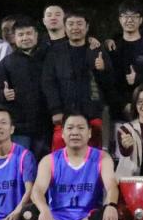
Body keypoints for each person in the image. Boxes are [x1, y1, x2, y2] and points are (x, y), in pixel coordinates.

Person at [23, 112, 119, 220]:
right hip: (55, 219)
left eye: (80, 128)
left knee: (111, 214)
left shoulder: (102, 158)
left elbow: (111, 186)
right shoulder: (49, 160)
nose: (75, 132)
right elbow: (37, 191)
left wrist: (111, 206)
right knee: (28, 213)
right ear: (62, 133)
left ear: (89, 133)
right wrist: (44, 210)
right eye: (70, 128)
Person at [42, 9, 115, 150]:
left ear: (87, 27)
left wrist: (102, 70)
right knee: (60, 157)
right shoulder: (55, 52)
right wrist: (55, 109)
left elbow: (109, 84)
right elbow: (48, 82)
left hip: (93, 115)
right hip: (64, 116)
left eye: (79, 24)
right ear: (65, 27)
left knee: (92, 156)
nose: (75, 28)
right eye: (71, 24)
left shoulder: (97, 50)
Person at [0, 16, 49, 157]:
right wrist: (4, 95)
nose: (25, 38)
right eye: (20, 35)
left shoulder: (48, 57)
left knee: (45, 165)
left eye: (28, 33)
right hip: (19, 128)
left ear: (36, 35)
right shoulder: (7, 62)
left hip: (45, 125)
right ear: (14, 38)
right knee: (21, 164)